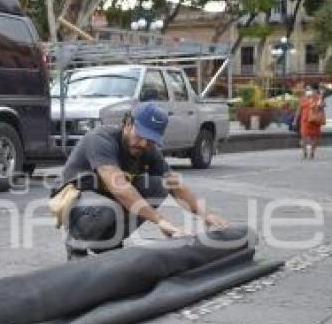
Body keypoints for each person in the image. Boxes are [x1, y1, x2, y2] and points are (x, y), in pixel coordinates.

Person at [54, 102, 228, 260]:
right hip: (74, 198)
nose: (144, 144)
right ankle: (76, 246)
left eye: (151, 140)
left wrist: (206, 213)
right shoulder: (100, 139)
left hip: (107, 199)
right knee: (108, 207)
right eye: (141, 135)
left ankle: (108, 244)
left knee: (159, 186)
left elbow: (175, 185)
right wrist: (160, 221)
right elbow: (120, 188)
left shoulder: (147, 149)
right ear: (128, 124)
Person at [298, 86, 325, 160]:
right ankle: (304, 152)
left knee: (315, 138)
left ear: (314, 90)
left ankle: (312, 152)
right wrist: (295, 120)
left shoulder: (318, 98)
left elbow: (322, 106)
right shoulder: (303, 98)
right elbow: (299, 109)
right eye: (306, 89)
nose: (308, 91)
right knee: (304, 137)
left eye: (309, 89)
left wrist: (321, 97)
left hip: (315, 121)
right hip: (305, 121)